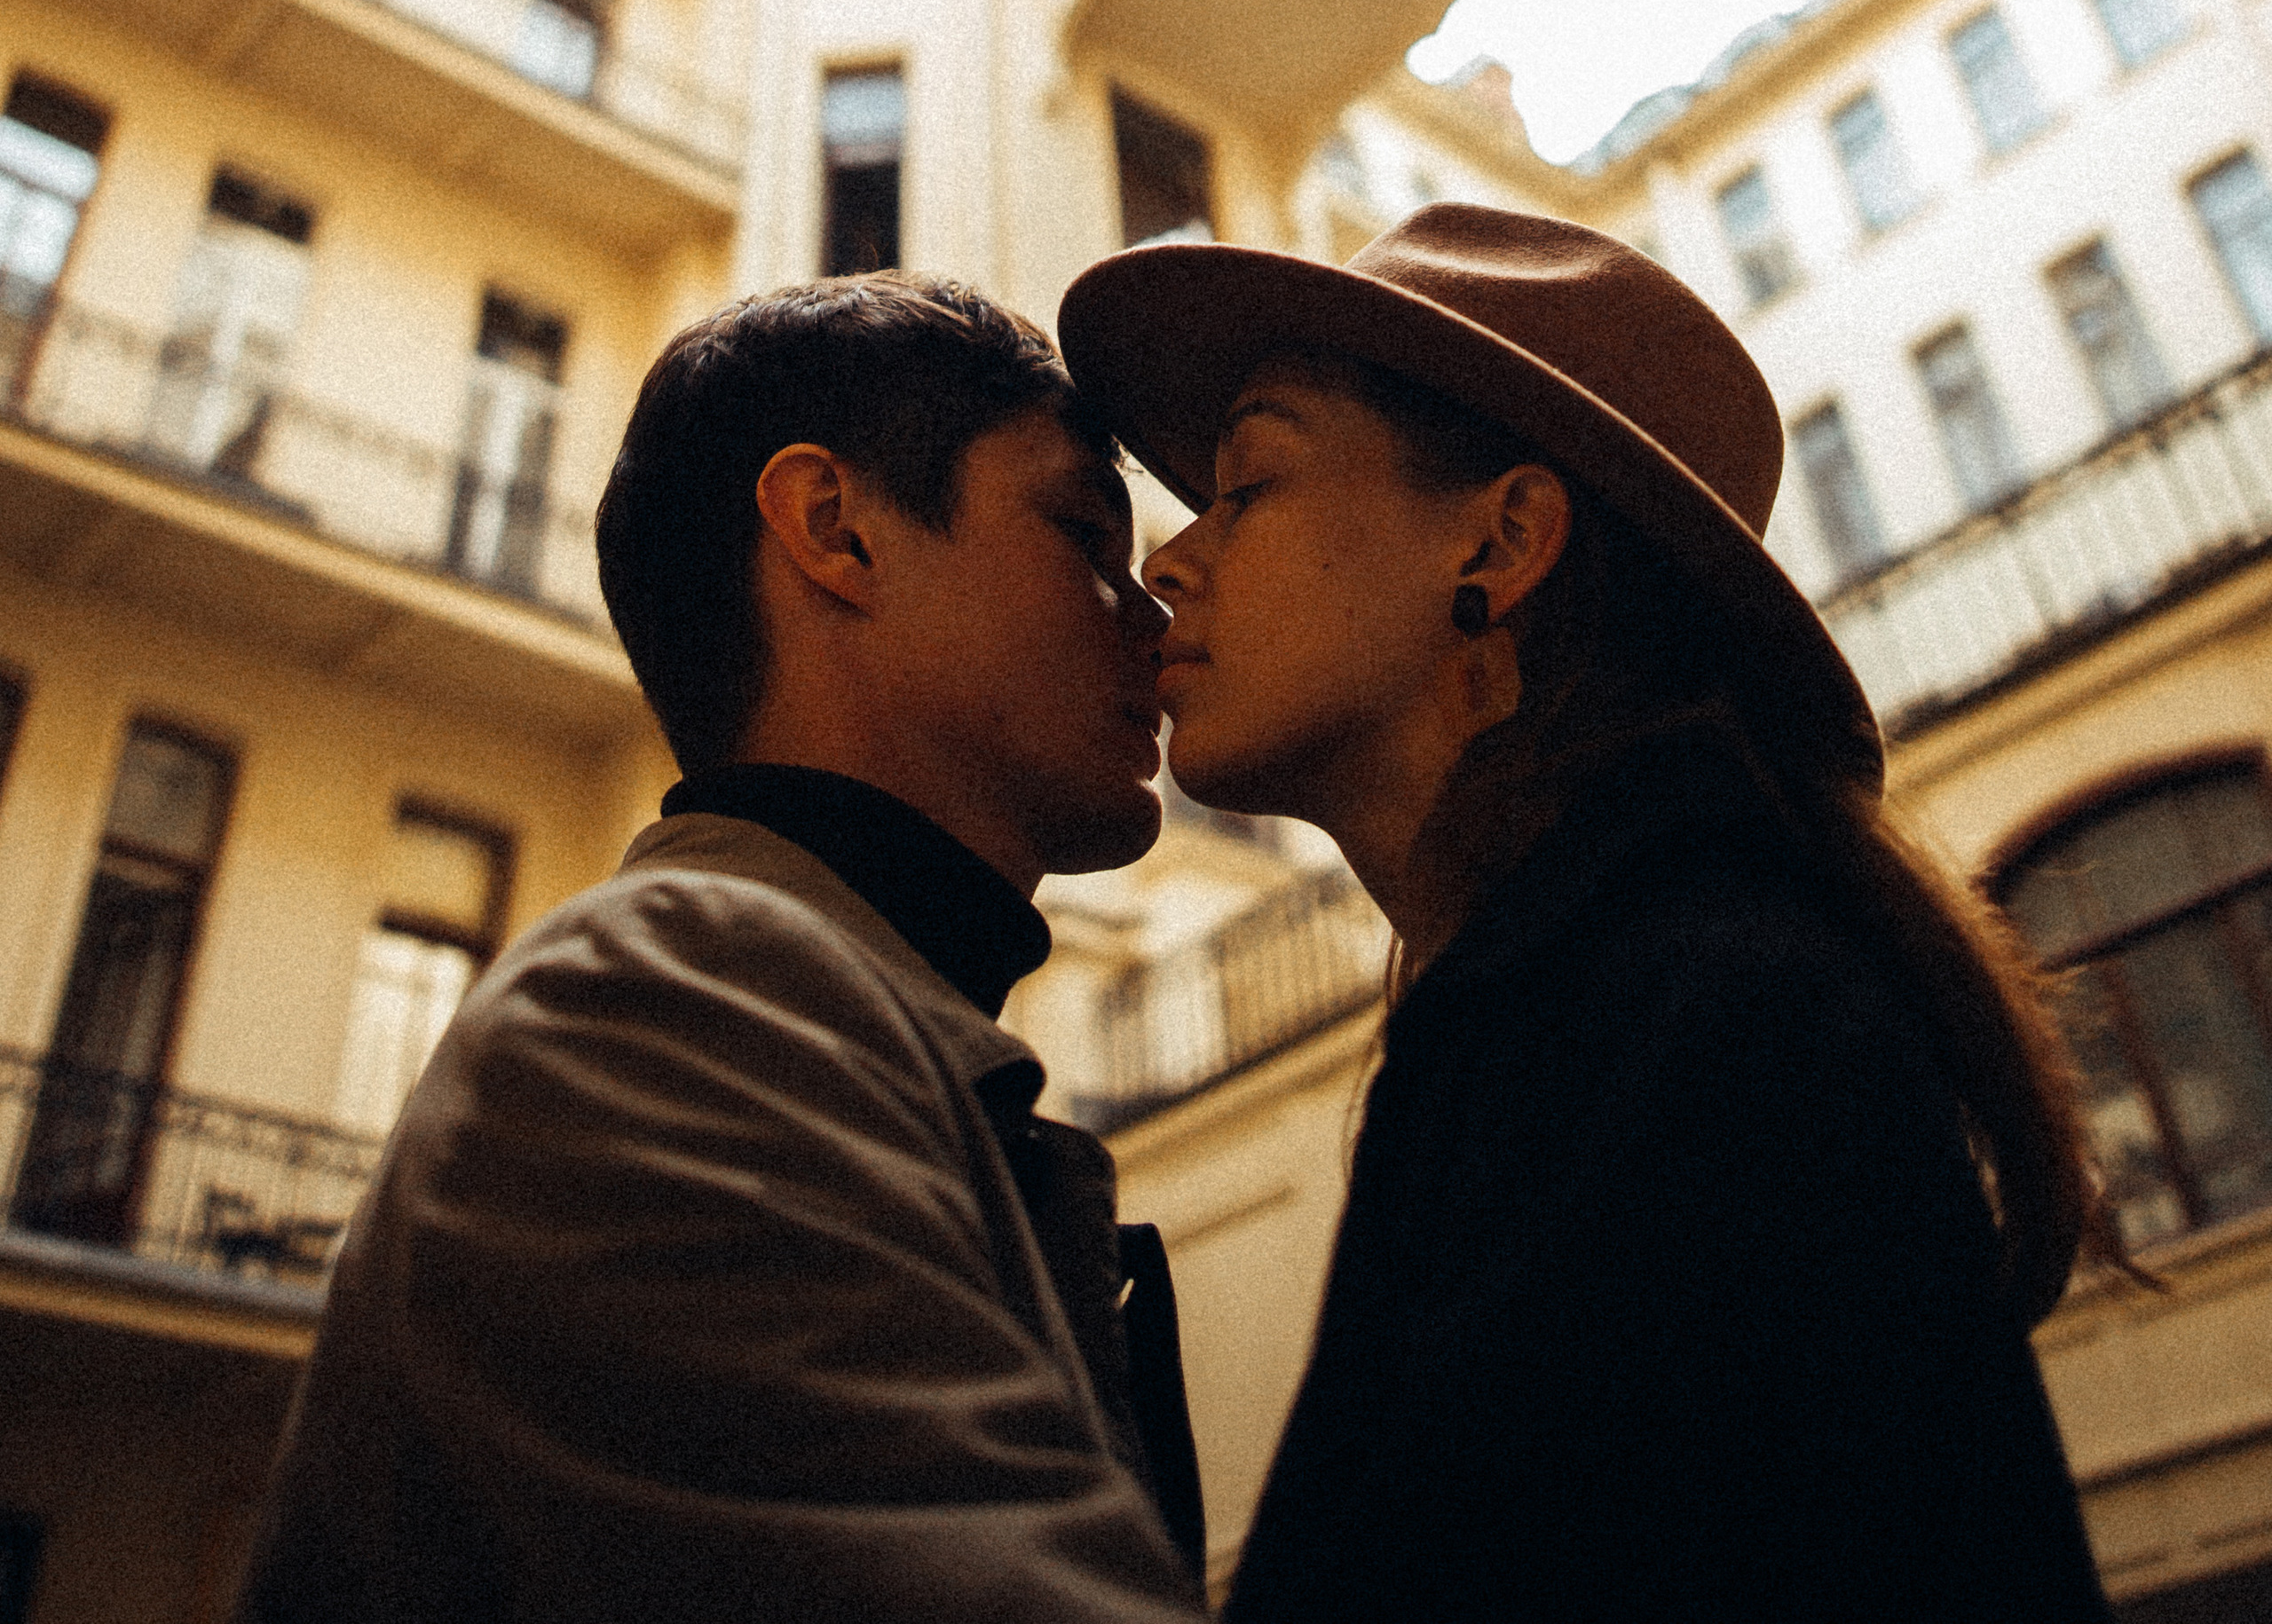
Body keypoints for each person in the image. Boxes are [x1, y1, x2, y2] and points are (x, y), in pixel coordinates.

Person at [1061, 202, 2114, 1623]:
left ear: (1500, 544)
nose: (1169, 564)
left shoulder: (1673, 1025)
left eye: (1247, 484)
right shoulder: (1622, 993)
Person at [236, 273, 1205, 1624]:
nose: (1153, 624)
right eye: (1083, 536)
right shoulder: (665, 1010)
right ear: (835, 531)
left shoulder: (783, 1005)